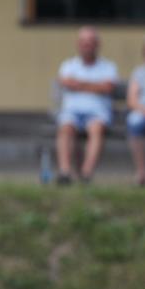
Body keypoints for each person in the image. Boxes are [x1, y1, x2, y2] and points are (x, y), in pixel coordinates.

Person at [55, 26, 118, 185]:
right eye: (83, 42)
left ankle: (86, 174)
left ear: (97, 44)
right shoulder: (68, 65)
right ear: (78, 44)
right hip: (72, 112)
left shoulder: (108, 66)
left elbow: (108, 87)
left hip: (97, 113)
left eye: (90, 42)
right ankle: (65, 172)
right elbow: (65, 82)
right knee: (66, 128)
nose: (87, 45)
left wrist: (79, 84)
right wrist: (95, 86)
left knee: (96, 129)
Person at [126, 38, 145, 187]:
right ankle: (142, 172)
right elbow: (132, 100)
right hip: (143, 111)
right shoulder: (139, 73)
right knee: (135, 123)